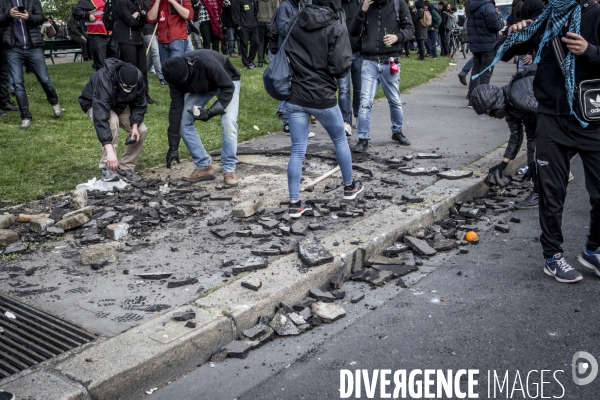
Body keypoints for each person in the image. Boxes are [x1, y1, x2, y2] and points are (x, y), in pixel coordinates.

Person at [493, 0, 600, 283]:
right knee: (551, 193)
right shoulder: (547, 17)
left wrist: (589, 51)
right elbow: (502, 54)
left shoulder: (597, 14)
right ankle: (553, 257)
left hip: (590, 118)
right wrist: (513, 34)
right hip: (552, 118)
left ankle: (592, 249)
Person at [284, 0, 364, 217]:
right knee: (339, 139)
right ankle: (349, 187)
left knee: (298, 149)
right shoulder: (336, 27)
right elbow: (340, 67)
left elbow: (280, 48)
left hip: (295, 94)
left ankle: (294, 203)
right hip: (322, 96)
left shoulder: (294, 22)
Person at [162, 50, 241, 186]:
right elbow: (176, 109)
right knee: (183, 120)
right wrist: (173, 147)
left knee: (229, 122)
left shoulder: (207, 64)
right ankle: (204, 166)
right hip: (203, 87)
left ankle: (229, 169)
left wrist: (210, 112)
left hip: (227, 82)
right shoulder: (174, 76)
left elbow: (228, 88)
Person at [349, 0, 415, 152]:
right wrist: (362, 10)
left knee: (395, 100)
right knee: (365, 102)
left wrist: (397, 37)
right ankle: (363, 138)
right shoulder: (366, 5)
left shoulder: (398, 4)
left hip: (390, 60)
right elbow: (353, 31)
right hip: (369, 61)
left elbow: (410, 29)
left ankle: (397, 131)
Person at [470, 64, 538, 208]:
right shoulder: (510, 109)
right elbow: (516, 136)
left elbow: (544, 121)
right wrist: (502, 165)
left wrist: (534, 161)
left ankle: (539, 193)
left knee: (542, 154)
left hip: (564, 118)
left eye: (488, 112)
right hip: (545, 123)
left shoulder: (517, 96)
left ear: (493, 104)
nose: (491, 116)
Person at [79, 60, 148, 183]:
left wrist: (134, 126)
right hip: (94, 102)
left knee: (141, 130)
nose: (129, 89)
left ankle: (126, 168)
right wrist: (110, 151)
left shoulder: (138, 78)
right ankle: (108, 168)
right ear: (119, 81)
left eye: (131, 87)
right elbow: (101, 117)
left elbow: (139, 103)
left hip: (118, 104)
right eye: (126, 86)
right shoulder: (105, 79)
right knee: (112, 120)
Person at [0, 0, 62, 129]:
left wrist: (28, 17)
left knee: (44, 79)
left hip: (34, 46)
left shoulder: (33, 1)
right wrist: (8, 14)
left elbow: (40, 18)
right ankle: (25, 116)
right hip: (13, 48)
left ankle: (54, 101)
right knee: (17, 84)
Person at [113, 0, 153, 104]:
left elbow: (146, 19)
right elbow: (130, 21)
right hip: (126, 39)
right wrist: (140, 18)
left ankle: (145, 95)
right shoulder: (120, 2)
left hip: (138, 39)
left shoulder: (137, 3)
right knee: (132, 70)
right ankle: (132, 97)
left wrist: (138, 15)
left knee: (143, 70)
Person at [465, 0, 503, 107]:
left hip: (476, 43)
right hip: (488, 43)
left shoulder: (472, 6)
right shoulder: (488, 6)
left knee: (476, 70)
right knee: (486, 71)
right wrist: (501, 23)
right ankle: (482, 100)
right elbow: (494, 25)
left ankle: (472, 100)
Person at [338, 0, 362, 136]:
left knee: (359, 88)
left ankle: (359, 117)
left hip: (359, 52)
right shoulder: (338, 5)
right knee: (343, 89)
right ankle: (346, 121)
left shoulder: (359, 4)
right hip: (342, 54)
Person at [72, 0, 116, 71]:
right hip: (97, 36)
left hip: (112, 35)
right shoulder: (91, 1)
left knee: (115, 61)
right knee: (100, 65)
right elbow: (75, 10)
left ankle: (113, 80)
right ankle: (101, 80)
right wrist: (87, 15)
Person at [143, 0, 166, 85]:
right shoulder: (146, 2)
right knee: (155, 53)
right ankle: (161, 77)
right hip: (148, 30)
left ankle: (146, 69)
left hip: (157, 30)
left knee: (153, 54)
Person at [232, 0, 259, 69]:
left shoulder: (252, 1)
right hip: (243, 27)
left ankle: (250, 61)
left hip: (254, 26)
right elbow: (235, 12)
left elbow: (255, 11)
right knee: (244, 44)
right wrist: (238, 24)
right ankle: (246, 63)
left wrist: (256, 22)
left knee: (256, 43)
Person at [257, 0, 278, 66]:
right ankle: (271, 58)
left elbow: (256, 7)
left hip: (260, 20)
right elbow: (277, 9)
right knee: (270, 41)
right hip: (270, 20)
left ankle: (260, 60)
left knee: (261, 42)